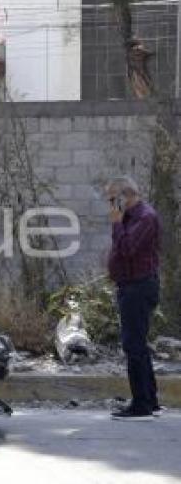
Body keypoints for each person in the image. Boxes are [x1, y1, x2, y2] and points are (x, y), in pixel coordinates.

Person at [105, 176, 162, 421]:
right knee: (138, 344)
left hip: (138, 287)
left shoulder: (145, 217)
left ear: (124, 196)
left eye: (112, 199)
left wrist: (117, 223)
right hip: (131, 286)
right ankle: (150, 400)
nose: (110, 205)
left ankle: (141, 405)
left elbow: (128, 248)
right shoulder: (131, 218)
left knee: (133, 345)